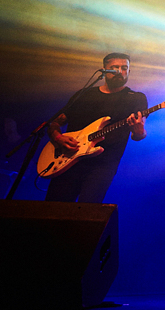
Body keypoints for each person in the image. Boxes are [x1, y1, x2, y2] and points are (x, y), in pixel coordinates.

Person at [45, 52, 147, 203]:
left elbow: (138, 134)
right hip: (67, 158)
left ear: (129, 71)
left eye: (124, 68)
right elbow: (54, 123)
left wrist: (140, 132)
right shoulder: (85, 94)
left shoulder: (136, 98)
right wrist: (58, 138)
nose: (120, 71)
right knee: (53, 209)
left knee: (87, 212)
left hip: (102, 166)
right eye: (114, 67)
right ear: (104, 69)